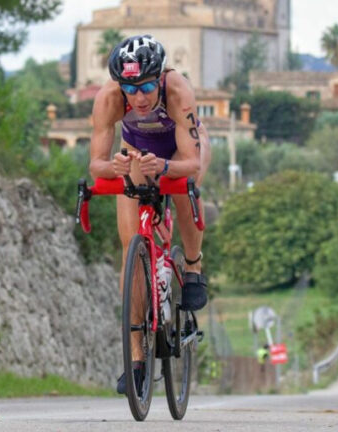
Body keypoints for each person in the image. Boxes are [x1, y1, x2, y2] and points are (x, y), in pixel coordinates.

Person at [87, 35, 212, 393]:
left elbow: (191, 161)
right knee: (132, 249)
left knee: (186, 187)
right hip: (136, 154)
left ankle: (192, 267)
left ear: (158, 78)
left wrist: (168, 165)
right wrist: (115, 166)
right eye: (129, 87)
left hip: (181, 149)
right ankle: (137, 361)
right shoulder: (109, 99)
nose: (138, 97)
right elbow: (96, 164)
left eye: (144, 86)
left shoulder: (178, 91)